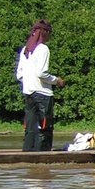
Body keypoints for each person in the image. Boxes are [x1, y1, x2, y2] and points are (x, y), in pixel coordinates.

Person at [15, 19, 66, 151]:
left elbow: (19, 75)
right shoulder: (43, 49)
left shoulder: (25, 50)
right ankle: (42, 157)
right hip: (43, 95)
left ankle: (28, 154)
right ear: (44, 33)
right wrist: (57, 80)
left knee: (30, 128)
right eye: (49, 33)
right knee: (44, 127)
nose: (50, 36)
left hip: (29, 93)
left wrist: (29, 82)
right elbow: (41, 73)